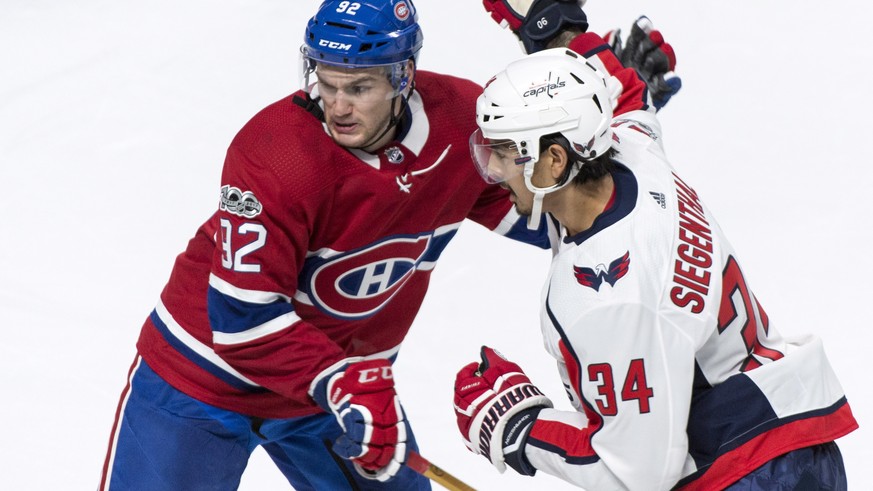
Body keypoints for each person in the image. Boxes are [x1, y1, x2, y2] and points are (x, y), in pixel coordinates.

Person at [98, 0, 676, 488]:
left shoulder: (459, 129)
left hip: (336, 393)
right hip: (201, 379)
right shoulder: (274, 155)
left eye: (359, 86)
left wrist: (594, 130)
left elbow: (551, 209)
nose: (337, 105)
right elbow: (240, 318)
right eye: (325, 81)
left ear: (403, 77)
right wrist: (343, 381)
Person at [451, 44, 859, 489]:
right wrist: (551, 27)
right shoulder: (635, 153)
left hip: (739, 474)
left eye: (507, 152)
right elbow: (630, 102)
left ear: (554, 161)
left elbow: (638, 474)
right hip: (795, 436)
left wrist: (521, 429)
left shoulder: (610, 300)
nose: (491, 167)